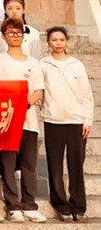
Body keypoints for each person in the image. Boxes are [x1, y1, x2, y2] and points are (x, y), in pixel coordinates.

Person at [0, 18, 46, 223]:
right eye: (10, 33)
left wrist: (28, 102)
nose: (15, 36)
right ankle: (13, 205)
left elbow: (39, 90)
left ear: (23, 36)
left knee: (29, 165)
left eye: (18, 32)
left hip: (29, 121)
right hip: (7, 121)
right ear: (3, 36)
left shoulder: (33, 63)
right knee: (8, 164)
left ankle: (30, 205)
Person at [41, 26, 93, 222]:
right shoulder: (43, 64)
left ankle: (78, 205)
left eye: (61, 39)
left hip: (76, 120)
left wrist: (87, 119)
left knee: (76, 165)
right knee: (55, 165)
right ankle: (61, 205)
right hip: (53, 120)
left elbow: (86, 94)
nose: (58, 43)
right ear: (48, 42)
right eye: (54, 40)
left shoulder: (76, 64)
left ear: (67, 41)